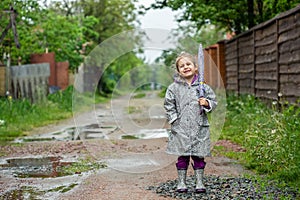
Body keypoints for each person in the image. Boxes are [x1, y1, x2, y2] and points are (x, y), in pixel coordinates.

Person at [164, 52, 217, 193]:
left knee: (198, 154)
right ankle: (182, 182)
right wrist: (174, 120)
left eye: (188, 64)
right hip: (181, 127)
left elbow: (214, 102)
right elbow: (169, 104)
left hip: (199, 126)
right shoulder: (173, 88)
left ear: (195, 67)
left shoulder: (203, 87)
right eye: (182, 66)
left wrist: (207, 103)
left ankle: (199, 182)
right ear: (178, 70)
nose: (185, 67)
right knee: (183, 155)